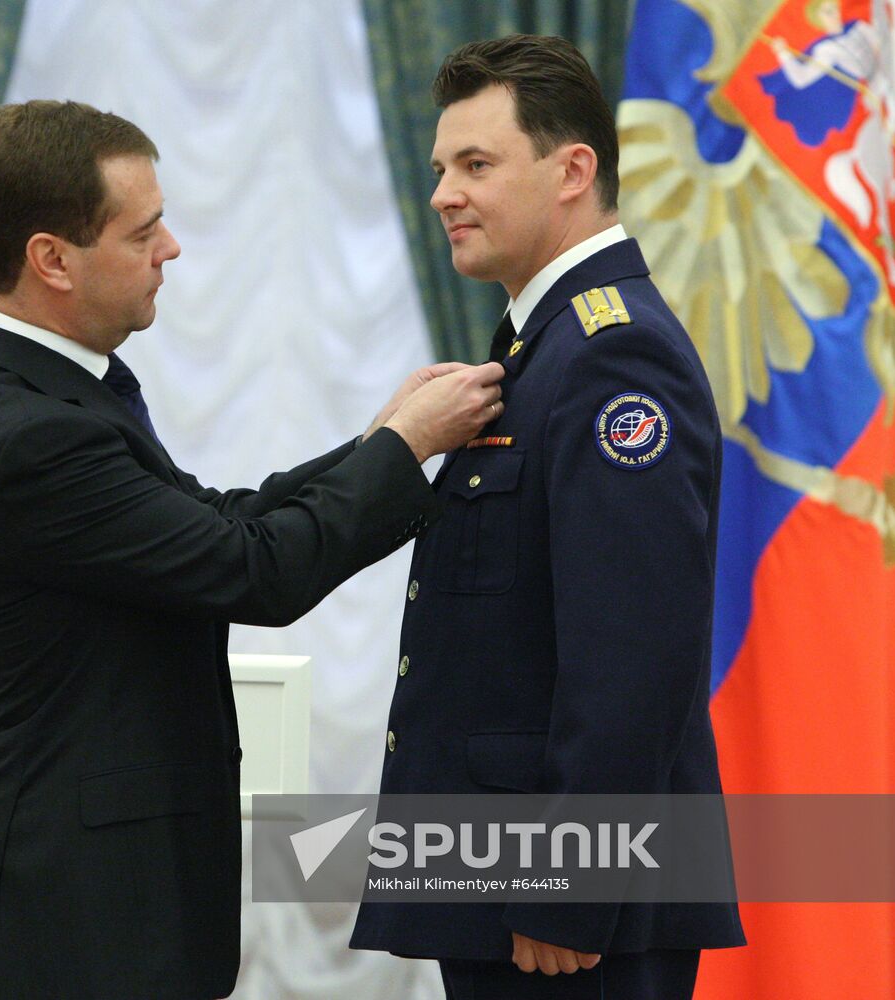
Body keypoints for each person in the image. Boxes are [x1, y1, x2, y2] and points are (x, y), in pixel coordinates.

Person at [0, 99, 504, 1000]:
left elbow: (217, 522)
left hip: (115, 881)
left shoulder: (62, 390)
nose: (172, 249)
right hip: (75, 904)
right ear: (53, 260)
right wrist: (409, 449)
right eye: (144, 229)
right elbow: (253, 571)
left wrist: (379, 438)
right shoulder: (29, 433)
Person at [349, 34, 746, 999]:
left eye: (475, 165)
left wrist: (569, 883)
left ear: (573, 170)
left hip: (567, 904)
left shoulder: (614, 356)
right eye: (441, 167)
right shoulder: (548, 343)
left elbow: (634, 655)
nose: (442, 192)